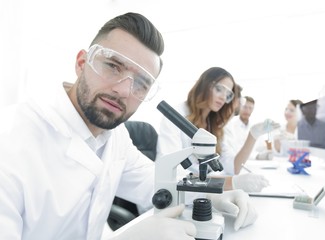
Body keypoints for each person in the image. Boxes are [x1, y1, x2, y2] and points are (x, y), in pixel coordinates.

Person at [0, 13, 258, 240]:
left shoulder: (114, 137)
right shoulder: (11, 141)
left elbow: (155, 183)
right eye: (113, 66)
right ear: (82, 63)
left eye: (142, 83)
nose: (124, 90)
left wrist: (213, 197)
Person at [156, 67, 280, 193]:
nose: (223, 97)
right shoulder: (175, 116)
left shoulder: (214, 124)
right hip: (179, 194)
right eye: (219, 89)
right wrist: (231, 183)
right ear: (204, 85)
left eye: (228, 94)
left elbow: (233, 167)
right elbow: (171, 173)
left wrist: (252, 136)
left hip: (203, 191)